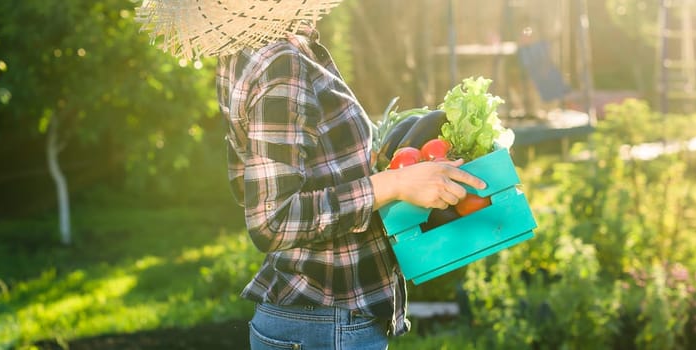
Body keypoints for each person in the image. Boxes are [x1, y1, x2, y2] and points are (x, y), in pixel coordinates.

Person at [137, 2, 484, 349]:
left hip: (316, 321)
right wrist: (394, 183)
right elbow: (271, 219)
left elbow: (254, 180)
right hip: (325, 324)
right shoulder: (280, 66)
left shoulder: (246, 53)